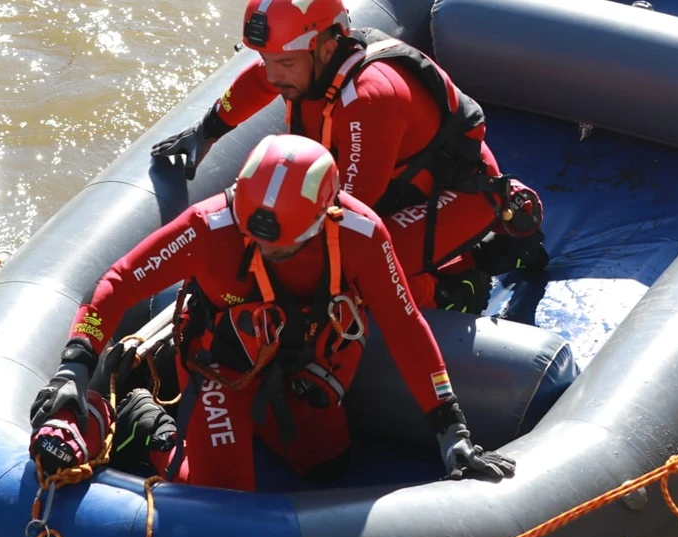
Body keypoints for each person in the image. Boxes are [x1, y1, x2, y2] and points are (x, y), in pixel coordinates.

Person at [29, 134, 515, 491]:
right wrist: (76, 362)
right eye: (250, 233)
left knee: (326, 466)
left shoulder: (362, 236)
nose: (257, 246)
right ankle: (147, 424)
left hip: (305, 355)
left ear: (326, 219)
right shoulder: (209, 228)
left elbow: (405, 324)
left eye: (277, 247)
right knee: (219, 495)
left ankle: (251, 423)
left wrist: (451, 426)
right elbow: (117, 283)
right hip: (221, 360)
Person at [151, 0, 547, 315]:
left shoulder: (370, 100)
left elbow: (353, 210)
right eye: (268, 60)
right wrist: (206, 132)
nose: (272, 76)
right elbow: (257, 81)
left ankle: (457, 283)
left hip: (455, 195)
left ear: (326, 47)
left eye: (283, 63)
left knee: (356, 276)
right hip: (401, 183)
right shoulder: (307, 66)